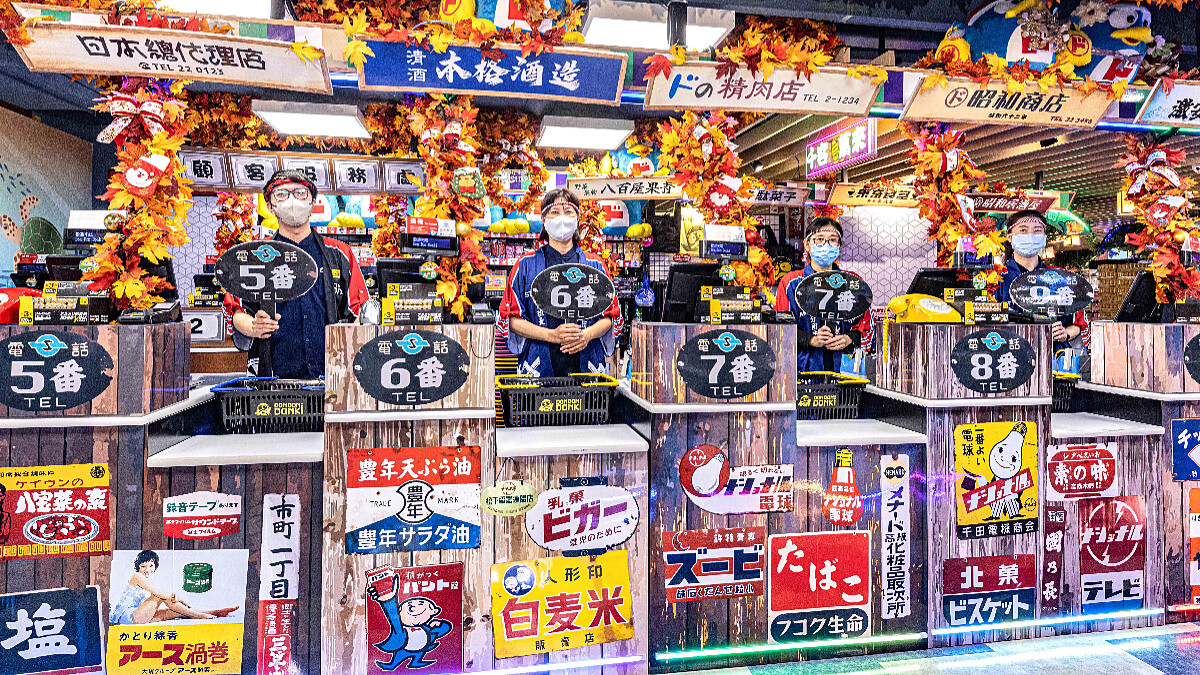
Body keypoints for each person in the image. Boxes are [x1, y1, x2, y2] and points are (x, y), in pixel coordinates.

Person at [224, 170, 368, 378]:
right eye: (281, 194)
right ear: (270, 206)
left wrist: (348, 357)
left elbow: (359, 310)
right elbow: (236, 311)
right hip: (272, 380)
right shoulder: (254, 256)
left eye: (300, 193)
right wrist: (254, 326)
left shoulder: (340, 253)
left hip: (332, 377)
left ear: (312, 203)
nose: (292, 200)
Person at [499, 189, 623, 377]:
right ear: (544, 220)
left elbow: (611, 315)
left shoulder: (596, 265)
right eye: (554, 212)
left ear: (577, 219)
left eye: (568, 212)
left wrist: (587, 334)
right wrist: (551, 335)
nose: (562, 218)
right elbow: (509, 318)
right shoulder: (524, 265)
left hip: (588, 370)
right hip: (537, 370)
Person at [774, 216, 875, 372]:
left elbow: (868, 327)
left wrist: (849, 338)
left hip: (846, 373)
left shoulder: (853, 283)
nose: (826, 245)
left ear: (839, 246)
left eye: (832, 240)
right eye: (819, 239)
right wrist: (810, 340)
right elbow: (780, 329)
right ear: (807, 244)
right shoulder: (791, 283)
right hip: (803, 373)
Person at [996, 210, 1090, 350]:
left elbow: (1079, 322)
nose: (1030, 236)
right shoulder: (996, 279)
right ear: (1009, 237)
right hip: (1007, 352)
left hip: (1052, 354)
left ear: (1044, 237)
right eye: (1023, 230)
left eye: (1037, 230)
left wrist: (1065, 333)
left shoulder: (1061, 278)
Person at [109, 550, 239, 625]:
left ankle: (215, 612)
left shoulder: (146, 580)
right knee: (159, 596)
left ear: (155, 567)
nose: (147, 570)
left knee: (175, 613)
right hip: (129, 617)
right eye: (143, 566)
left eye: (151, 566)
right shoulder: (137, 576)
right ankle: (198, 615)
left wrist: (178, 599)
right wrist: (181, 599)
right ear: (138, 567)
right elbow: (159, 593)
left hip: (139, 615)